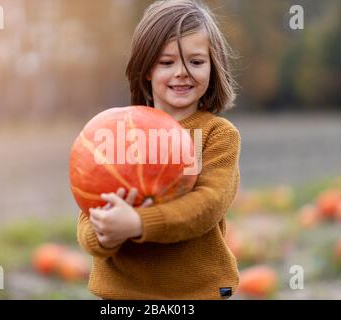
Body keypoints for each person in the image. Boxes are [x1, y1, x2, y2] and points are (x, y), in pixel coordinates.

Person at [77, 0, 241, 300]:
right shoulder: (117, 133)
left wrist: (139, 223)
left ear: (214, 67)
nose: (181, 72)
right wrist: (105, 234)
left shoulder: (217, 136)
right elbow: (88, 210)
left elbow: (208, 205)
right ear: (147, 69)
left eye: (196, 61)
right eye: (167, 63)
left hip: (197, 294)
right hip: (122, 296)